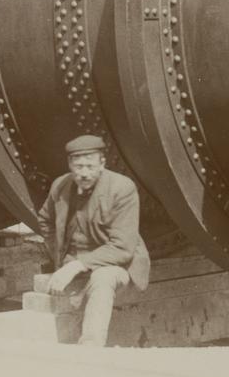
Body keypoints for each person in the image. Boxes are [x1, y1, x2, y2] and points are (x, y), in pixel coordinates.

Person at [42, 134, 150, 347]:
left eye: (90, 166)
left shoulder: (122, 188)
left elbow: (122, 248)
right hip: (74, 261)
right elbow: (45, 219)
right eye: (79, 166)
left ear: (103, 163)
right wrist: (59, 254)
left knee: (102, 279)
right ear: (70, 165)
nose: (84, 173)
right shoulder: (61, 186)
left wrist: (76, 265)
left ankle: (90, 347)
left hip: (116, 263)